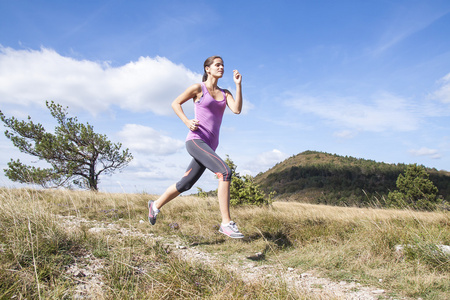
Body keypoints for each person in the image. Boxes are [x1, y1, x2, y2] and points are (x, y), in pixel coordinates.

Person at [148, 55, 244, 238]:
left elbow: (237, 109)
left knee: (185, 184)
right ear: (207, 69)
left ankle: (155, 205)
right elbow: (175, 103)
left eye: (223, 65)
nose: (221, 67)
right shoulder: (197, 88)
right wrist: (186, 121)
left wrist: (238, 85)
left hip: (210, 146)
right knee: (225, 172)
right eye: (217, 65)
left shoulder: (226, 93)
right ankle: (226, 223)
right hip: (195, 141)